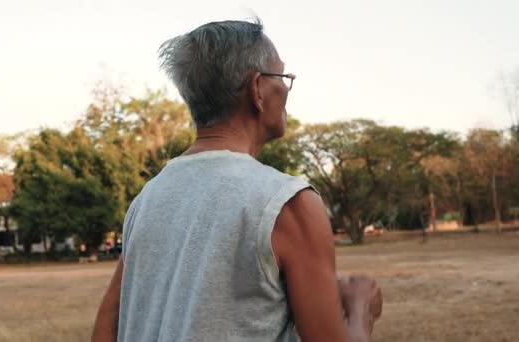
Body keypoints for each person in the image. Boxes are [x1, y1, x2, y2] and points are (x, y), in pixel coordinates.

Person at [92, 18, 382, 342]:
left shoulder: (147, 199)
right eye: (283, 76)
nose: (286, 88)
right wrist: (360, 309)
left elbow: (108, 324)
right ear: (257, 89)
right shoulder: (288, 203)